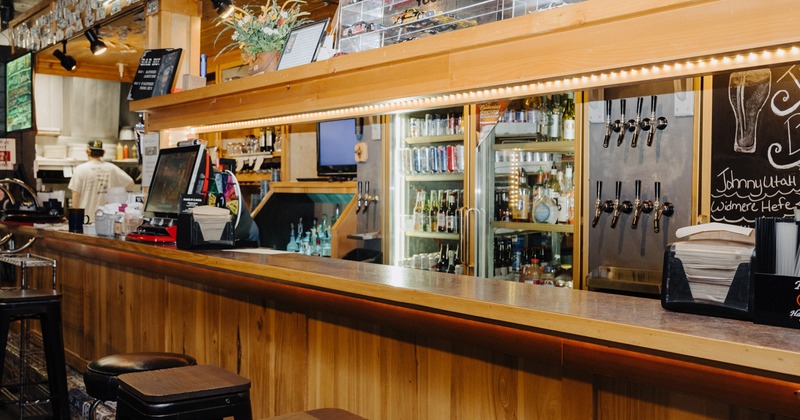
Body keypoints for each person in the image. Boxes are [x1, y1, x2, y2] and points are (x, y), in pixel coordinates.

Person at [68, 140, 134, 222]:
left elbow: (76, 195)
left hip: (86, 219)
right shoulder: (112, 168)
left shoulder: (80, 169)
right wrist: (116, 194)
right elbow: (130, 184)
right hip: (107, 219)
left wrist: (75, 217)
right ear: (102, 152)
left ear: (88, 151)